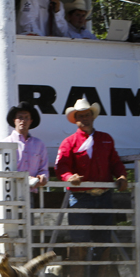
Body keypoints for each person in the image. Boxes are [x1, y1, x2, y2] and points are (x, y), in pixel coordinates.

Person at [55, 98, 127, 264]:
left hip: (103, 196)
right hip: (81, 197)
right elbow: (61, 167)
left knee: (102, 242)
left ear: (92, 117)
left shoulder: (106, 139)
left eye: (87, 115)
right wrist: (69, 177)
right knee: (80, 241)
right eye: (80, 116)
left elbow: (115, 162)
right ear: (76, 120)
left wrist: (122, 176)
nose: (84, 119)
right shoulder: (69, 142)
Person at [1, 101, 48, 198]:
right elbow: (2, 170)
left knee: (29, 213)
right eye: (20, 117)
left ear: (31, 121)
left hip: (30, 192)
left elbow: (44, 169)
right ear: (14, 120)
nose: (23, 120)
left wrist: (43, 177)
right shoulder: (5, 143)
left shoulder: (39, 144)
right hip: (9, 192)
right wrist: (24, 178)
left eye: (26, 117)